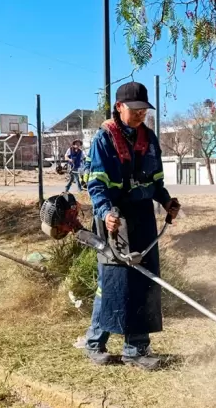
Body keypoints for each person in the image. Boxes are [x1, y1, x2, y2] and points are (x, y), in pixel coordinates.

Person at [83, 81, 181, 371]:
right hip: (114, 219)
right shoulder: (103, 139)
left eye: (144, 110)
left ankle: (136, 349)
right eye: (135, 109)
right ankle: (94, 343)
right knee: (113, 283)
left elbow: (156, 183)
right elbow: (96, 184)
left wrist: (165, 202)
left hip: (143, 219)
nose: (141, 114)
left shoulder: (149, 139)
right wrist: (105, 213)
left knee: (143, 282)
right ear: (119, 107)